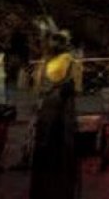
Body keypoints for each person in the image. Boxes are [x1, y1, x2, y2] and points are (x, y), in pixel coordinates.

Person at [30, 30, 79, 199]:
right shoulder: (61, 60)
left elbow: (45, 85)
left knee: (50, 147)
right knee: (53, 149)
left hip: (54, 110)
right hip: (54, 111)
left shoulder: (61, 60)